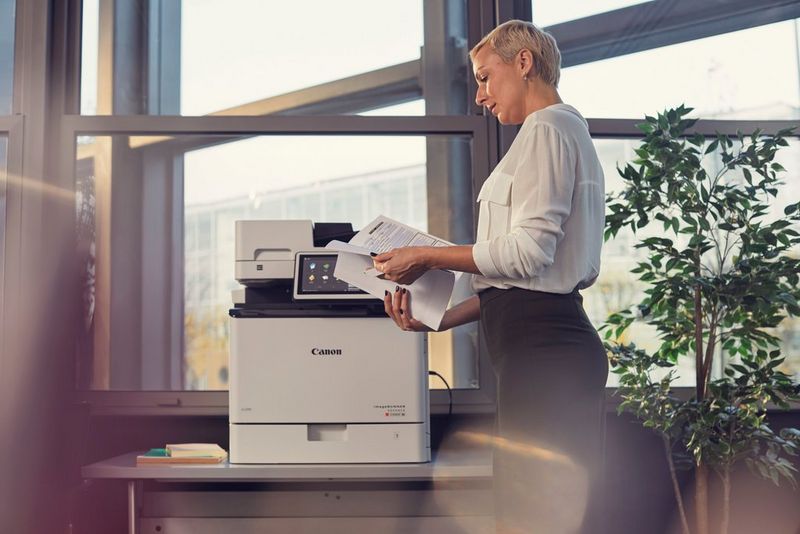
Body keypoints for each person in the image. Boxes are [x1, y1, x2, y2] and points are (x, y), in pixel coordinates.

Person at [372, 19, 608, 534]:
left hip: (547, 353)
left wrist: (425, 256)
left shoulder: (548, 128)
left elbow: (527, 254)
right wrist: (440, 320)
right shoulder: (552, 133)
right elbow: (520, 282)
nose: (480, 96)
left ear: (523, 63)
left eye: (484, 77)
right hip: (540, 349)